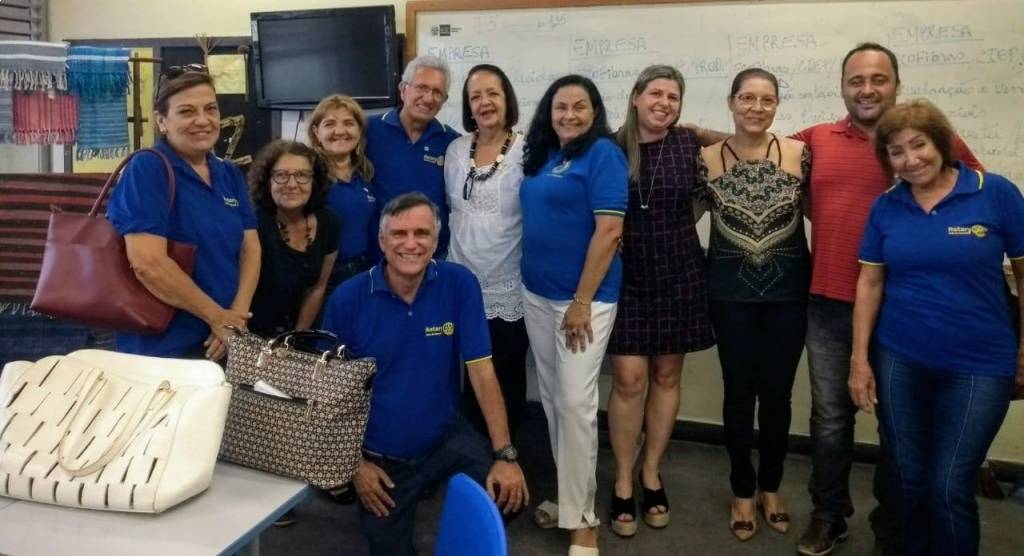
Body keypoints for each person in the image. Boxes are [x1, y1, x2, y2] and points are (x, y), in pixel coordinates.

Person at [788, 44, 984, 556]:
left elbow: (977, 199)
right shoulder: (816, 140)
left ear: (897, 84)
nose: (867, 89)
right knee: (830, 421)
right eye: (856, 80)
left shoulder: (925, 143)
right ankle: (829, 515)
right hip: (829, 303)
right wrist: (692, 135)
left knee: (901, 428)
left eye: (878, 79)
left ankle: (892, 527)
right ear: (842, 87)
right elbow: (755, 147)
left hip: (906, 308)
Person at [851, 98, 1024, 556]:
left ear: (942, 143)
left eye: (919, 145)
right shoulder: (886, 207)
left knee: (948, 484)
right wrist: (859, 361)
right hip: (900, 360)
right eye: (897, 151)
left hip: (980, 365)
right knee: (907, 479)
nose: (911, 160)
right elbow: (869, 283)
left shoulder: (995, 193)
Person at [321, 192, 528, 556]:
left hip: (444, 437)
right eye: (399, 234)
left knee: (508, 495)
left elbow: (481, 371)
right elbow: (326, 392)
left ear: (436, 240)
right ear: (381, 241)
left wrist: (505, 455)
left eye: (421, 233)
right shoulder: (348, 298)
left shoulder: (459, 283)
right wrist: (354, 465)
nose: (411, 244)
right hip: (381, 455)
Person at [697, 68, 810, 541]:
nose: (756, 108)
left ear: (777, 104)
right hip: (729, 294)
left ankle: (772, 487)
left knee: (779, 394)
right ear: (731, 102)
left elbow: (825, 212)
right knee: (739, 392)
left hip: (789, 294)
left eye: (766, 100)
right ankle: (742, 490)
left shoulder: (800, 154)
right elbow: (682, 218)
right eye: (747, 98)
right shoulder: (706, 159)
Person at [605, 64, 714, 538]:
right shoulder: (610, 146)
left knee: (667, 376)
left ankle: (651, 472)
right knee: (629, 381)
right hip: (626, 278)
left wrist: (702, 130)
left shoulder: (689, 144)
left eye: (673, 97)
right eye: (656, 94)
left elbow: (745, 143)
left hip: (680, 273)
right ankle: (622, 479)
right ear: (635, 97)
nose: (664, 103)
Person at [521, 74, 628, 556]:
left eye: (579, 107)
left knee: (575, 405)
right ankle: (568, 501)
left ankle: (583, 521)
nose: (569, 115)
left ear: (594, 112)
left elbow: (609, 231)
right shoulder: (545, 154)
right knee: (552, 401)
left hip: (583, 302)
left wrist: (582, 301)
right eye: (560, 107)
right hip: (536, 295)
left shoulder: (603, 154)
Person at [107, 68, 260, 360]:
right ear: (162, 121)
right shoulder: (148, 168)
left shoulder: (228, 173)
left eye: (210, 109)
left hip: (224, 337)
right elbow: (148, 263)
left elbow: (250, 248)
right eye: (187, 111)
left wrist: (235, 318)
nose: (202, 120)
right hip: (164, 346)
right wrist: (216, 316)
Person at [444, 64, 530, 441]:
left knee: (506, 371)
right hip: (460, 280)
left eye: (492, 93)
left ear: (507, 98)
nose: (484, 102)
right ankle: (467, 451)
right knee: (462, 371)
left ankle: (505, 454)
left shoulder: (528, 150)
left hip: (508, 283)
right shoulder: (455, 150)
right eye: (475, 96)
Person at [365, 55, 460, 258]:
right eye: (421, 87)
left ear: (444, 101)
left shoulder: (453, 143)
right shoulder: (368, 130)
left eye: (437, 92)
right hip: (378, 256)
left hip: (432, 257)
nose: (428, 98)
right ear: (403, 89)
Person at [246, 140, 338, 337]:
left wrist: (296, 338)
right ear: (266, 181)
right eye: (281, 175)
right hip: (250, 333)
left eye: (302, 175)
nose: (292, 184)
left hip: (297, 333)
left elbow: (317, 288)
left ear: (314, 181)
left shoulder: (329, 221)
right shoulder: (251, 223)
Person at [307, 94, 377, 291]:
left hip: (362, 271)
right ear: (316, 132)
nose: (340, 131)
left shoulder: (364, 175)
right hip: (322, 278)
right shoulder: (309, 175)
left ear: (359, 131)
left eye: (349, 123)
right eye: (329, 124)